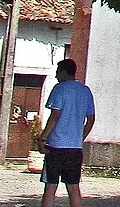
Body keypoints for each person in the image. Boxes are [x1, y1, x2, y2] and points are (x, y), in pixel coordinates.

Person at [38, 59, 95, 207]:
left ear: (63, 72)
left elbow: (55, 116)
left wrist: (43, 137)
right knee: (73, 187)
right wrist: (80, 137)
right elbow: (91, 119)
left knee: (50, 186)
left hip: (55, 145)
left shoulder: (59, 89)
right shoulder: (85, 90)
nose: (56, 76)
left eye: (58, 72)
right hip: (75, 148)